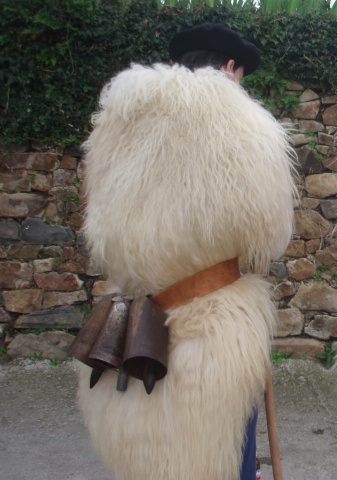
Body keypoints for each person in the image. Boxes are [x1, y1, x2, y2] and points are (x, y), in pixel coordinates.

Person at [74, 23, 296, 480]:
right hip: (212, 333)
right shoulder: (241, 122)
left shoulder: (118, 119)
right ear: (230, 67)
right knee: (221, 455)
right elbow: (268, 236)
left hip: (128, 326)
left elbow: (96, 219)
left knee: (150, 460)